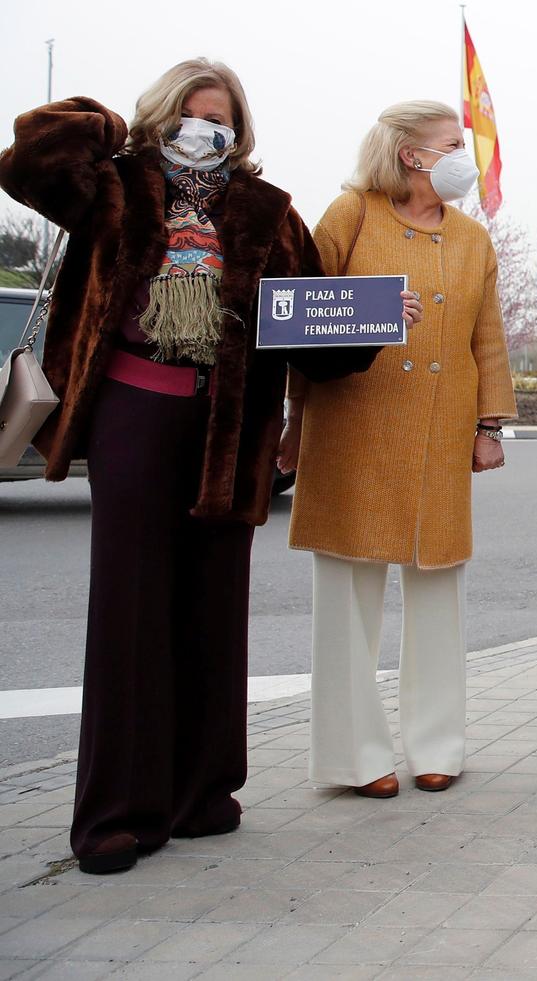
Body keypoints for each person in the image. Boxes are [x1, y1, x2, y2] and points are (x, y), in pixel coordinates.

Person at [0, 61, 401, 875]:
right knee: (130, 609)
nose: (203, 127)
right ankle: (117, 812)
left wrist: (381, 318)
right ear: (161, 114)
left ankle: (202, 795)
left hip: (229, 429)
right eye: (188, 112)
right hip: (132, 416)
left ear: (240, 126)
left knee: (213, 610)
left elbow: (312, 338)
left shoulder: (268, 210)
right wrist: (112, 130)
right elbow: (28, 162)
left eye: (218, 116)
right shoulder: (114, 186)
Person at [281, 101, 516, 797]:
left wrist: (489, 427)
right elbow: (300, 316)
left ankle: (437, 745)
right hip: (352, 428)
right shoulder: (350, 213)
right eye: (450, 143)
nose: (462, 156)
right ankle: (357, 759)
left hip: (442, 434)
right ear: (411, 154)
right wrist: (293, 419)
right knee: (347, 595)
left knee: (438, 587)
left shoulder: (474, 237)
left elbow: (490, 339)